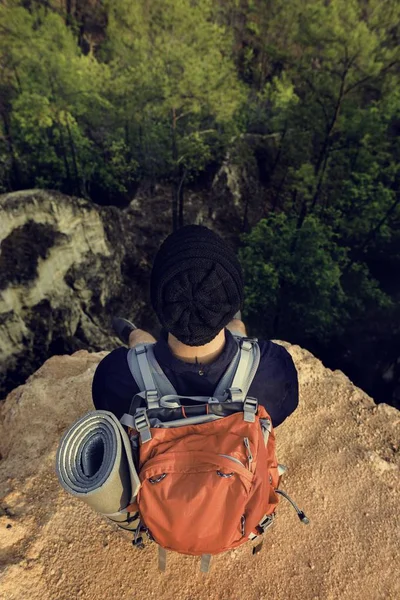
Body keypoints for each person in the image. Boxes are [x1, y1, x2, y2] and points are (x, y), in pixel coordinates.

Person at [92, 225, 298, 427]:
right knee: (239, 335)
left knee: (140, 347)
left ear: (159, 302)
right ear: (233, 299)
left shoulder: (113, 376)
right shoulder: (275, 368)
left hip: (150, 402)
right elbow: (279, 414)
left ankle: (133, 333)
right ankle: (234, 323)